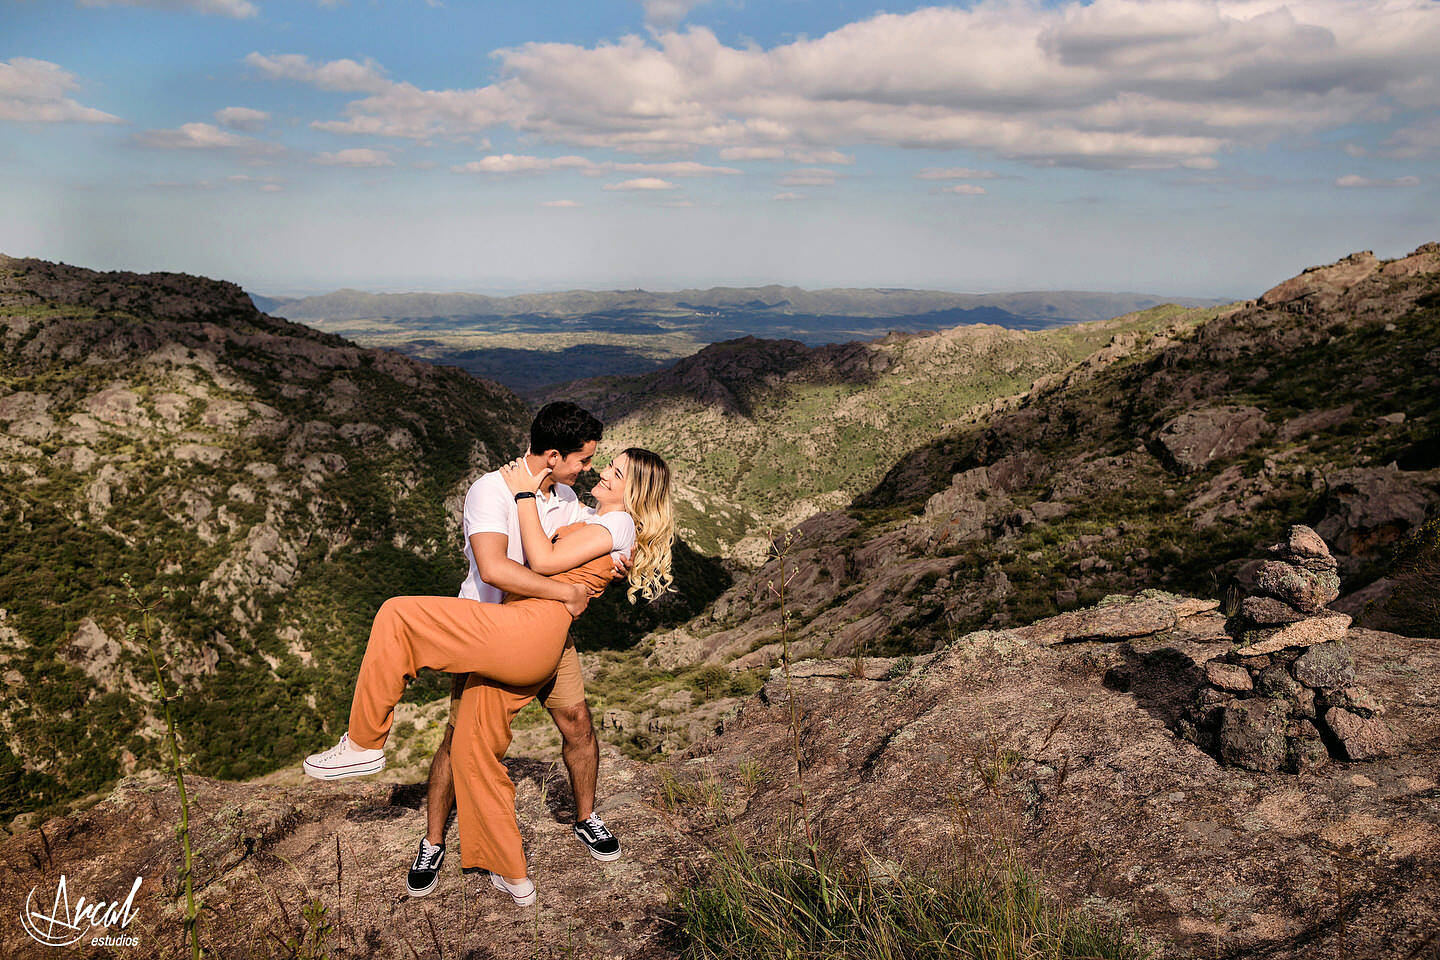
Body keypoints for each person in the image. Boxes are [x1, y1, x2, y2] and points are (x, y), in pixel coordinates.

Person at [303, 443, 674, 906]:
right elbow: (564, 544)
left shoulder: (615, 522)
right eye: (596, 462)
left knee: (398, 616)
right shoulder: (582, 511)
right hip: (528, 633)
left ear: (635, 492)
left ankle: (363, 743)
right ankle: (509, 872)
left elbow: (540, 561)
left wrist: (521, 494)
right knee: (473, 747)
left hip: (522, 634)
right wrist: (533, 483)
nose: (600, 472)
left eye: (615, 472)